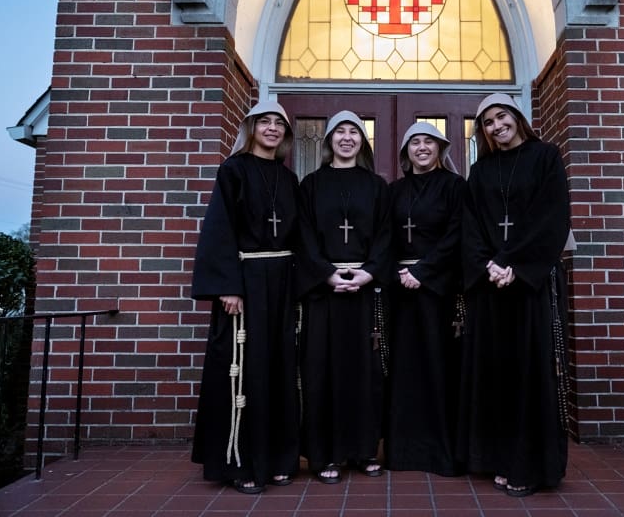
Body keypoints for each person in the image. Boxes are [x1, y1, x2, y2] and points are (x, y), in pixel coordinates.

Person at [458, 93, 572, 497]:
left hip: (529, 286)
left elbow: (552, 216)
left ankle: (528, 465)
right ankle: (494, 458)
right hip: (490, 288)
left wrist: (514, 266)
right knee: (494, 375)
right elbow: (469, 225)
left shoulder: (546, 157)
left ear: (517, 117)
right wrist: (488, 265)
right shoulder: (481, 170)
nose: (495, 126)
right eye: (486, 122)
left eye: (501, 116)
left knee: (529, 373)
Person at [190, 101, 301, 494]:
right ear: (251, 128)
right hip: (245, 285)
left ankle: (278, 459)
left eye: (279, 124)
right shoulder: (232, 170)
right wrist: (228, 286)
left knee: (279, 370)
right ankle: (240, 463)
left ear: (286, 135)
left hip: (283, 284)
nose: (272, 128)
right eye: (265, 122)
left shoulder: (289, 181)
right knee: (243, 373)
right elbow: (220, 230)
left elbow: (299, 237)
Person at [295, 110, 392, 484]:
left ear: (362, 141)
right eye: (340, 132)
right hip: (324, 294)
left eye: (354, 132)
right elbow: (302, 236)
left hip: (365, 294)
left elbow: (387, 235)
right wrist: (327, 275)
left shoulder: (376, 186)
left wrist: (368, 273)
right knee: (322, 371)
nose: (347, 138)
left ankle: (365, 449)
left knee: (365, 373)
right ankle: (325, 454)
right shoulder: (311, 185)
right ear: (329, 141)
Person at [384, 122, 466, 476]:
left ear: (440, 149)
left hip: (438, 289)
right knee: (403, 370)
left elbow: (456, 235)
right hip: (400, 290)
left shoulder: (454, 187)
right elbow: (383, 236)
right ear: (405, 152)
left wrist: (424, 272)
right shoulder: (394, 191)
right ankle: (403, 454)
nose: (421, 148)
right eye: (414, 142)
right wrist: (400, 274)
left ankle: (440, 454)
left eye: (428, 142)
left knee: (438, 366)